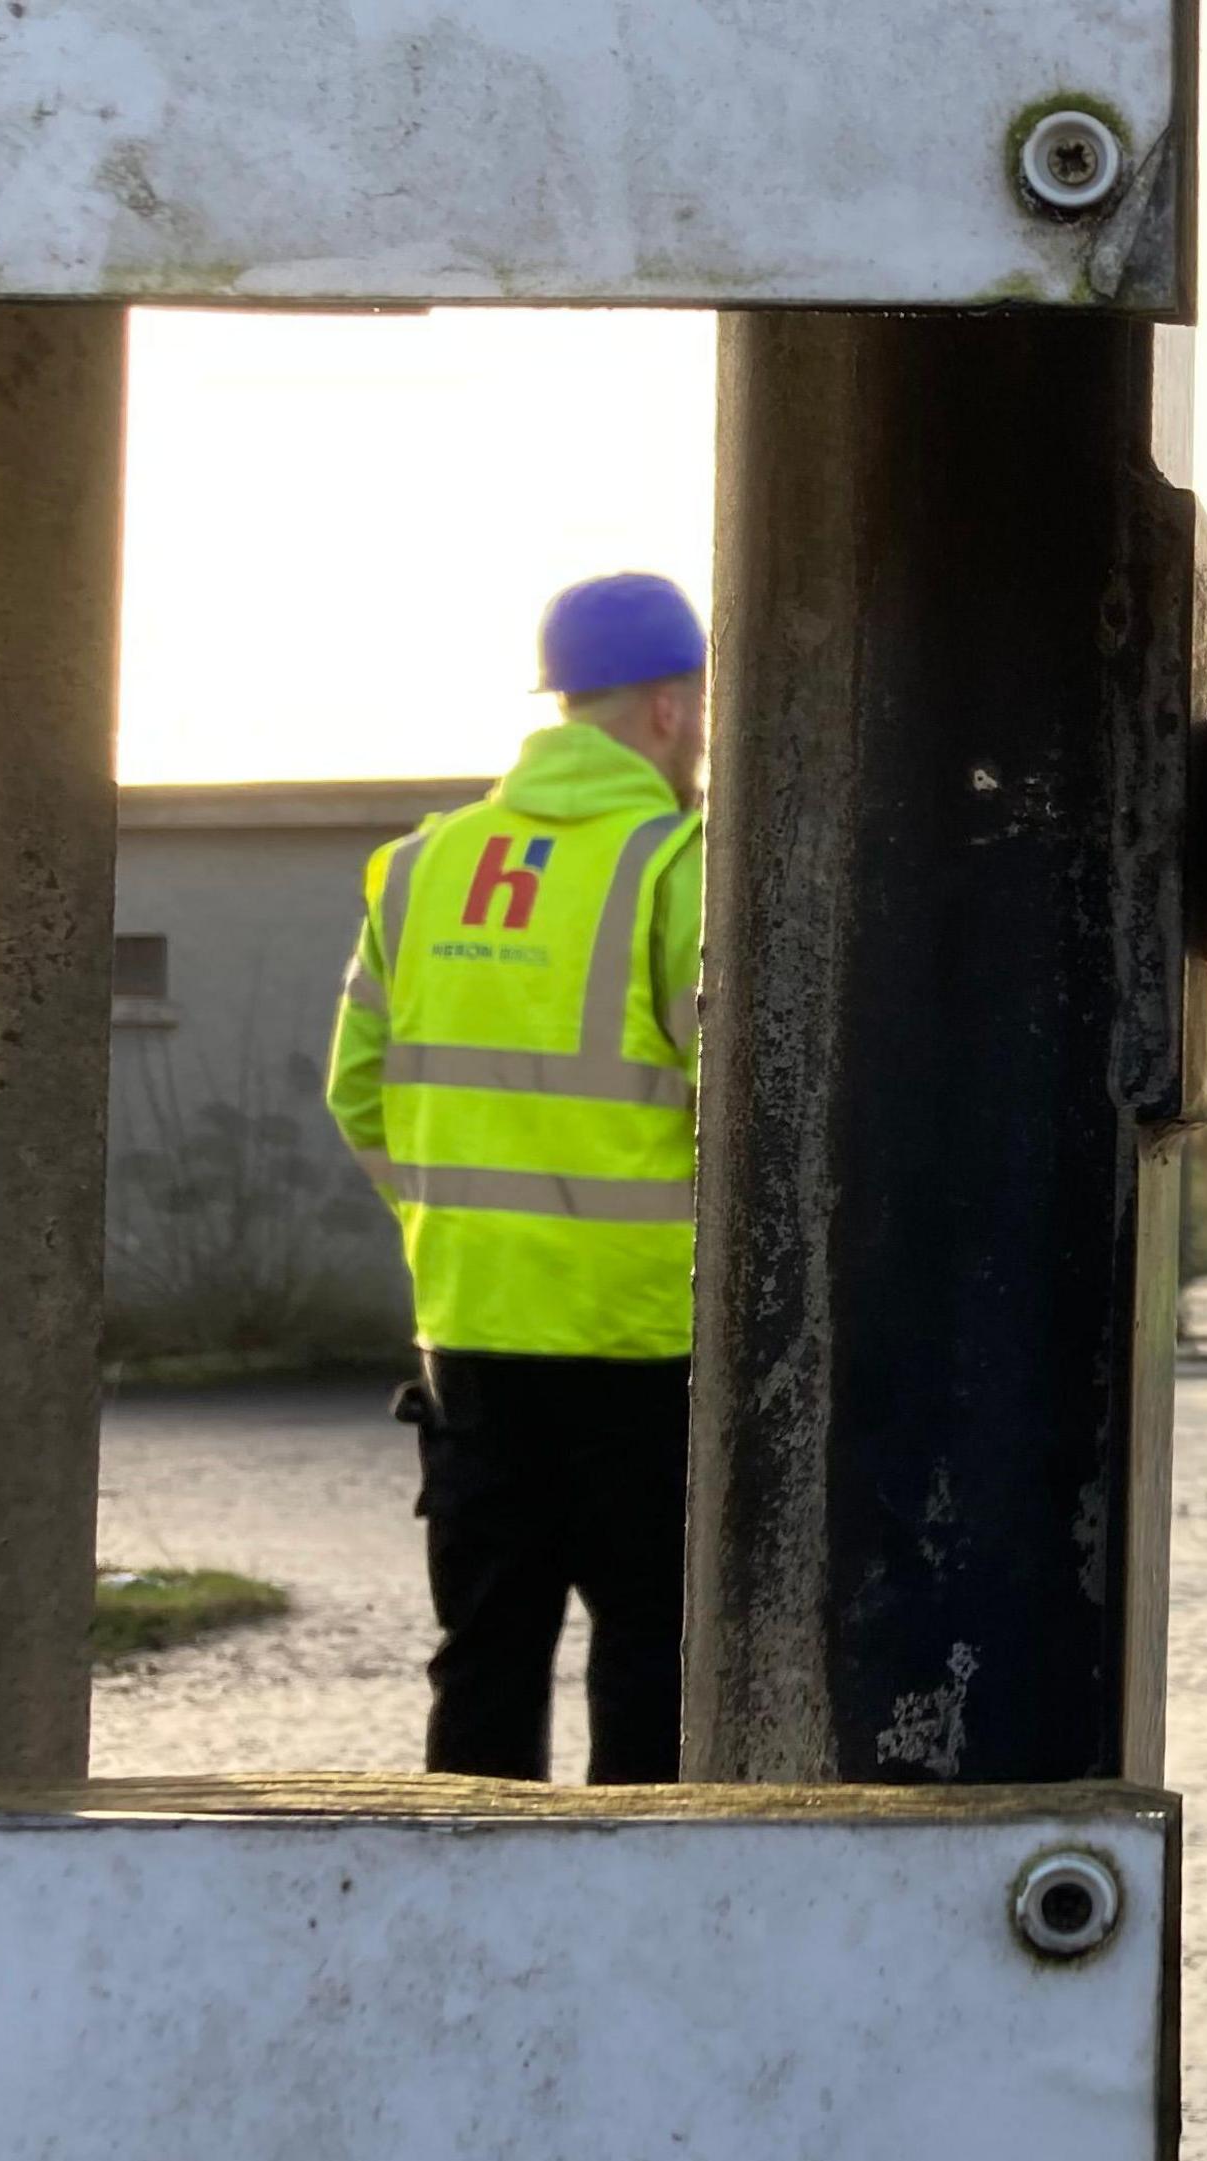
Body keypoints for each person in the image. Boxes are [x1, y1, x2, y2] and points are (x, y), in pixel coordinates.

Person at [325, 572, 710, 1782]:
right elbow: (749, 1094)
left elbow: (357, 1093)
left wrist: (460, 1223)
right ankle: (638, 1928)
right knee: (652, 1650)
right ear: (665, 707)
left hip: (473, 1339)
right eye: (697, 706)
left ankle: (473, 1922)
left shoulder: (422, 865)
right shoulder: (675, 861)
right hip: (639, 1342)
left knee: (485, 1655)